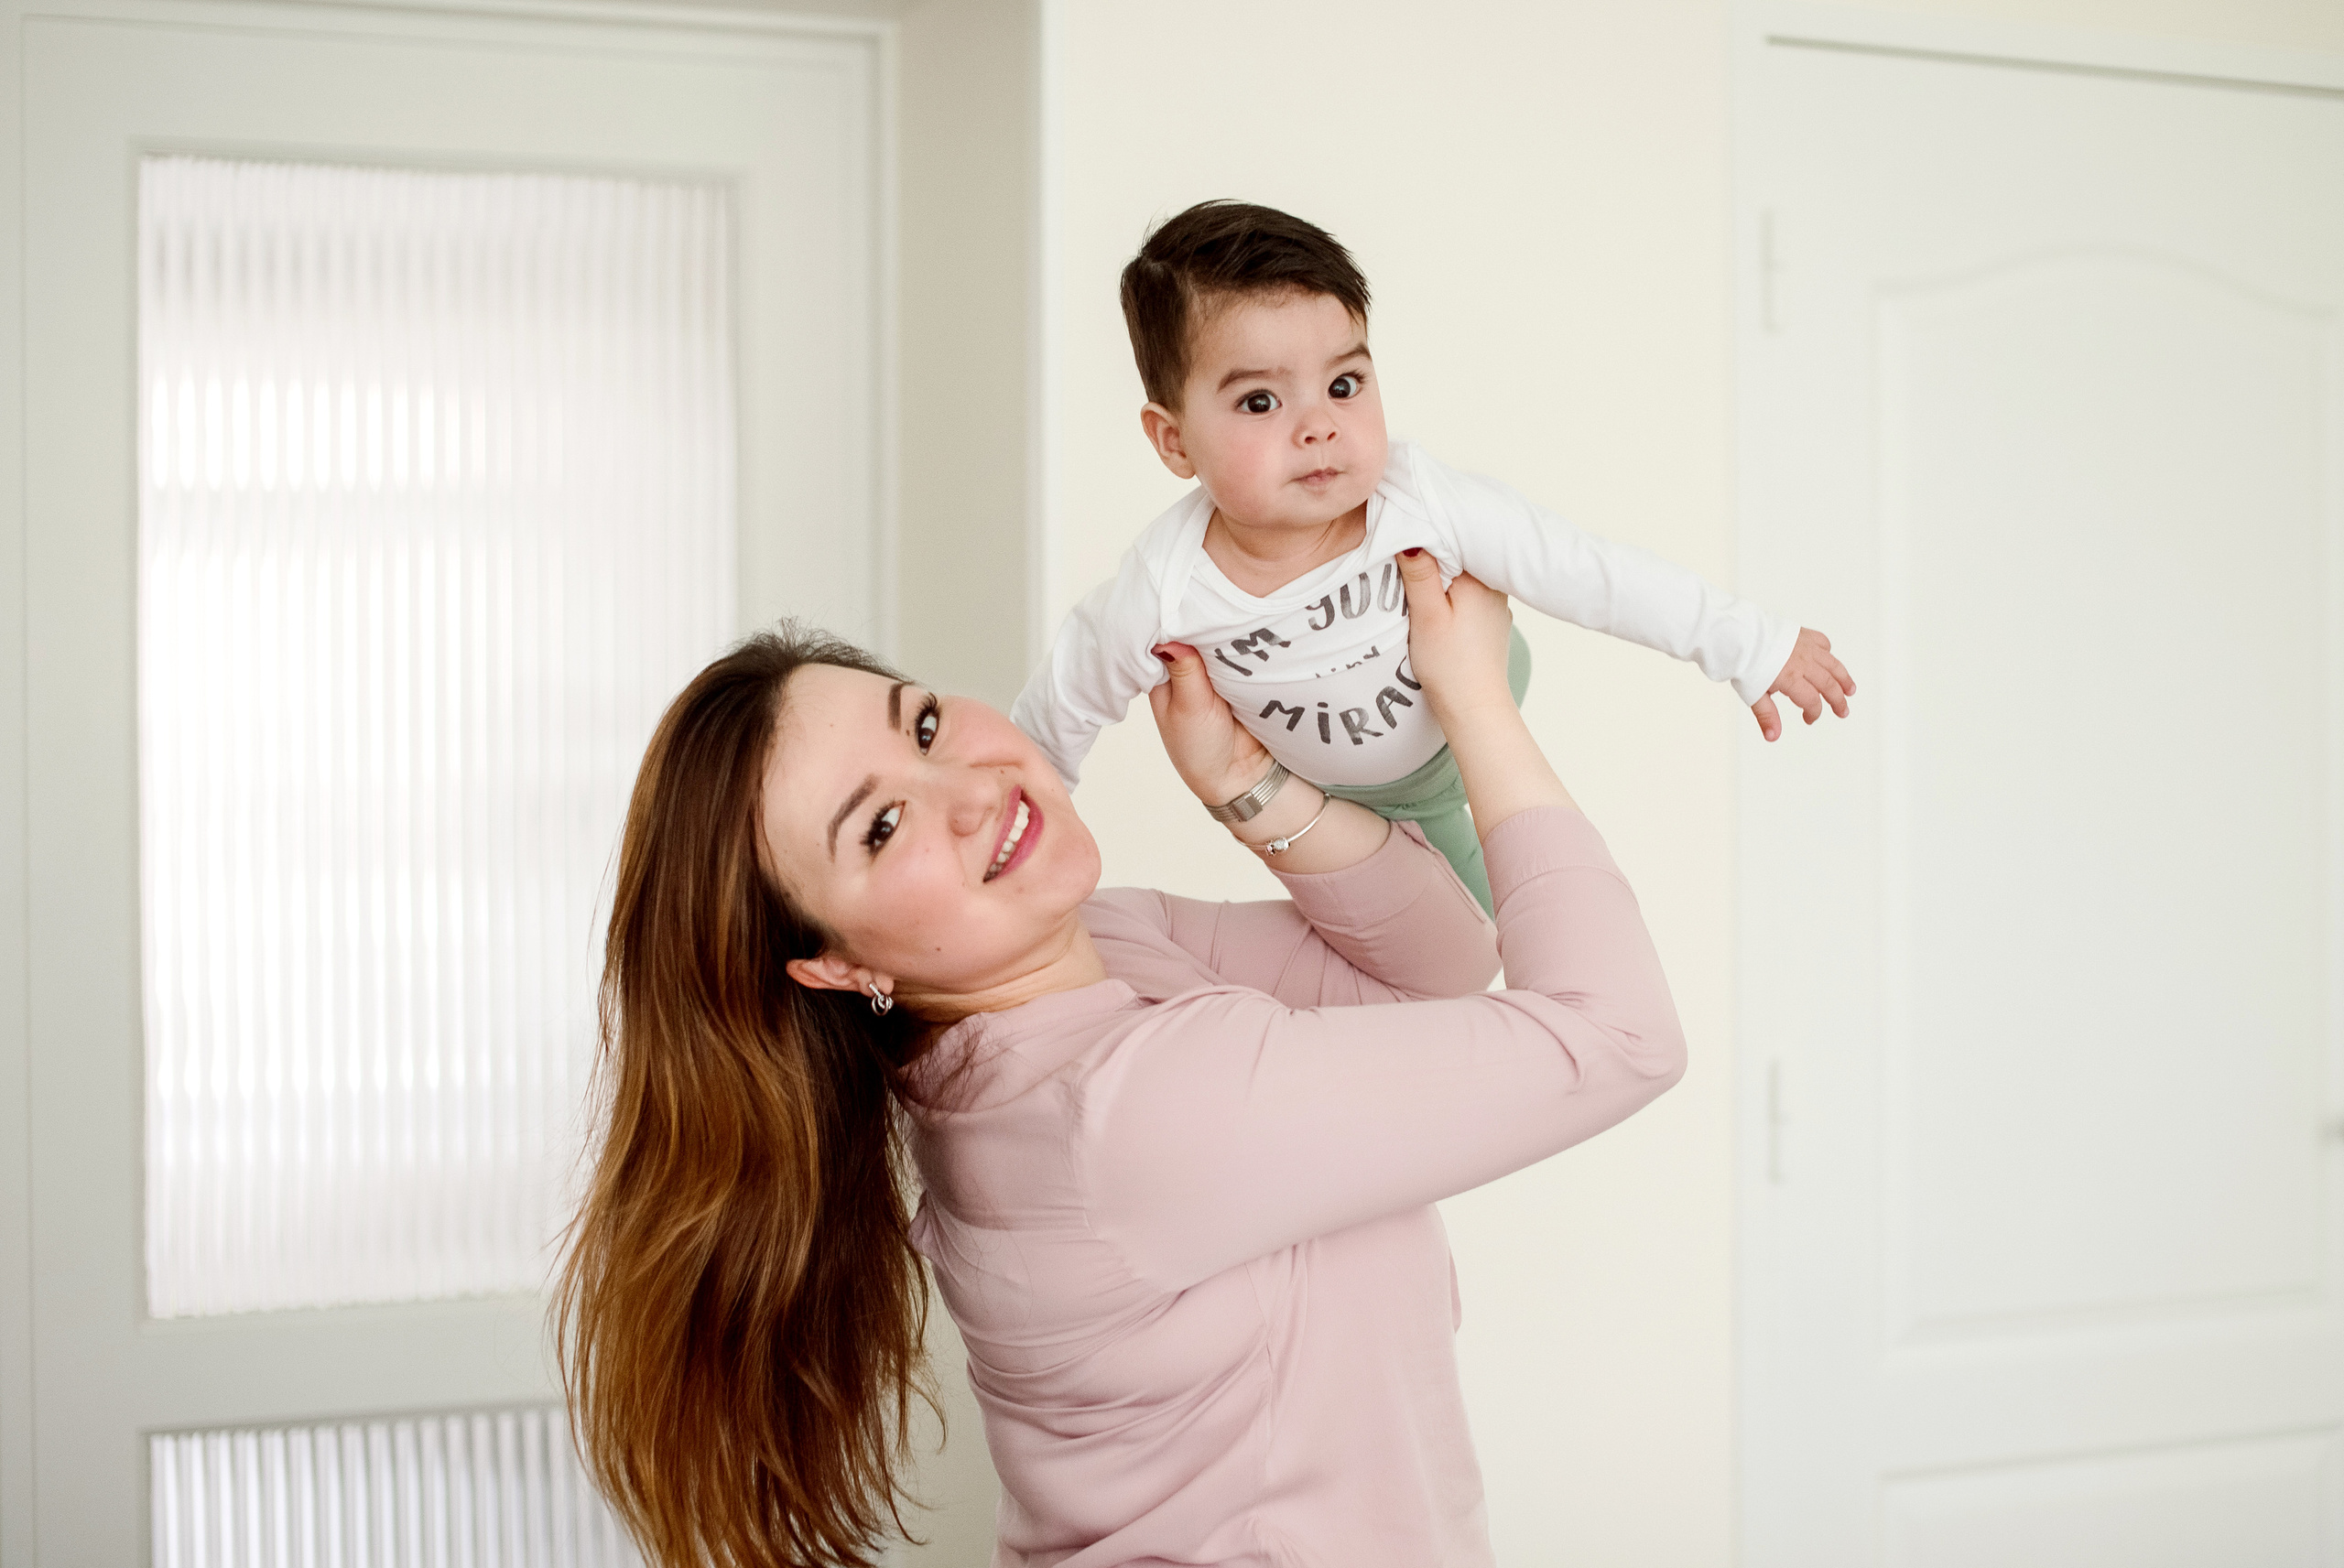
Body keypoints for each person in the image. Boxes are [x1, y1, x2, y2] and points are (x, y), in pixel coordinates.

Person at [557, 554, 1687, 1567]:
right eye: (881, 828)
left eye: (924, 727)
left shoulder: (1087, 963)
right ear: (836, 964)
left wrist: (1247, 784)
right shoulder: (1126, 1110)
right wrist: (1473, 697)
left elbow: (1438, 961)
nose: (970, 792)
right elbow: (1621, 1034)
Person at [1014, 199, 1855, 912]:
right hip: (1356, 800)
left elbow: (1586, 570)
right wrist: (1022, 813)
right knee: (1458, 937)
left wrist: (1749, 643)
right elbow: (1062, 706)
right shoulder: (1164, 587)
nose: (1319, 426)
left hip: (1474, 719)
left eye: (1344, 385)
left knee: (1555, 897)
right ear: (1172, 441)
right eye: (1260, 401)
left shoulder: (1418, 501)